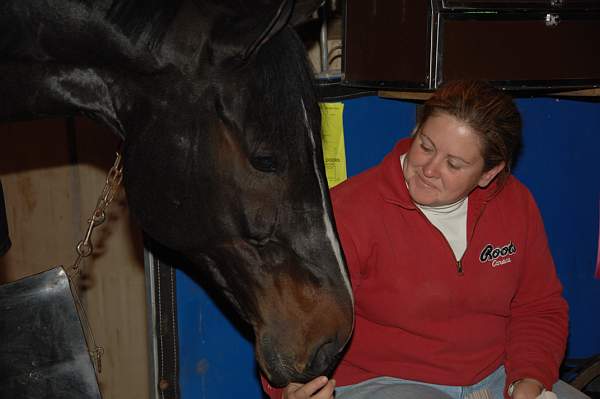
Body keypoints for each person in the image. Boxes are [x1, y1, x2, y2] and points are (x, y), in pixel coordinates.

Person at [262, 80, 588, 399]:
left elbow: (538, 307)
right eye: (425, 146)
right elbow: (291, 318)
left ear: (489, 173)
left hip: (498, 375)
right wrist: (286, 389)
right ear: (415, 131)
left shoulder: (515, 203)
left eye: (454, 164)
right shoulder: (350, 211)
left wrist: (528, 380)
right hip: (385, 382)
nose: (429, 169)